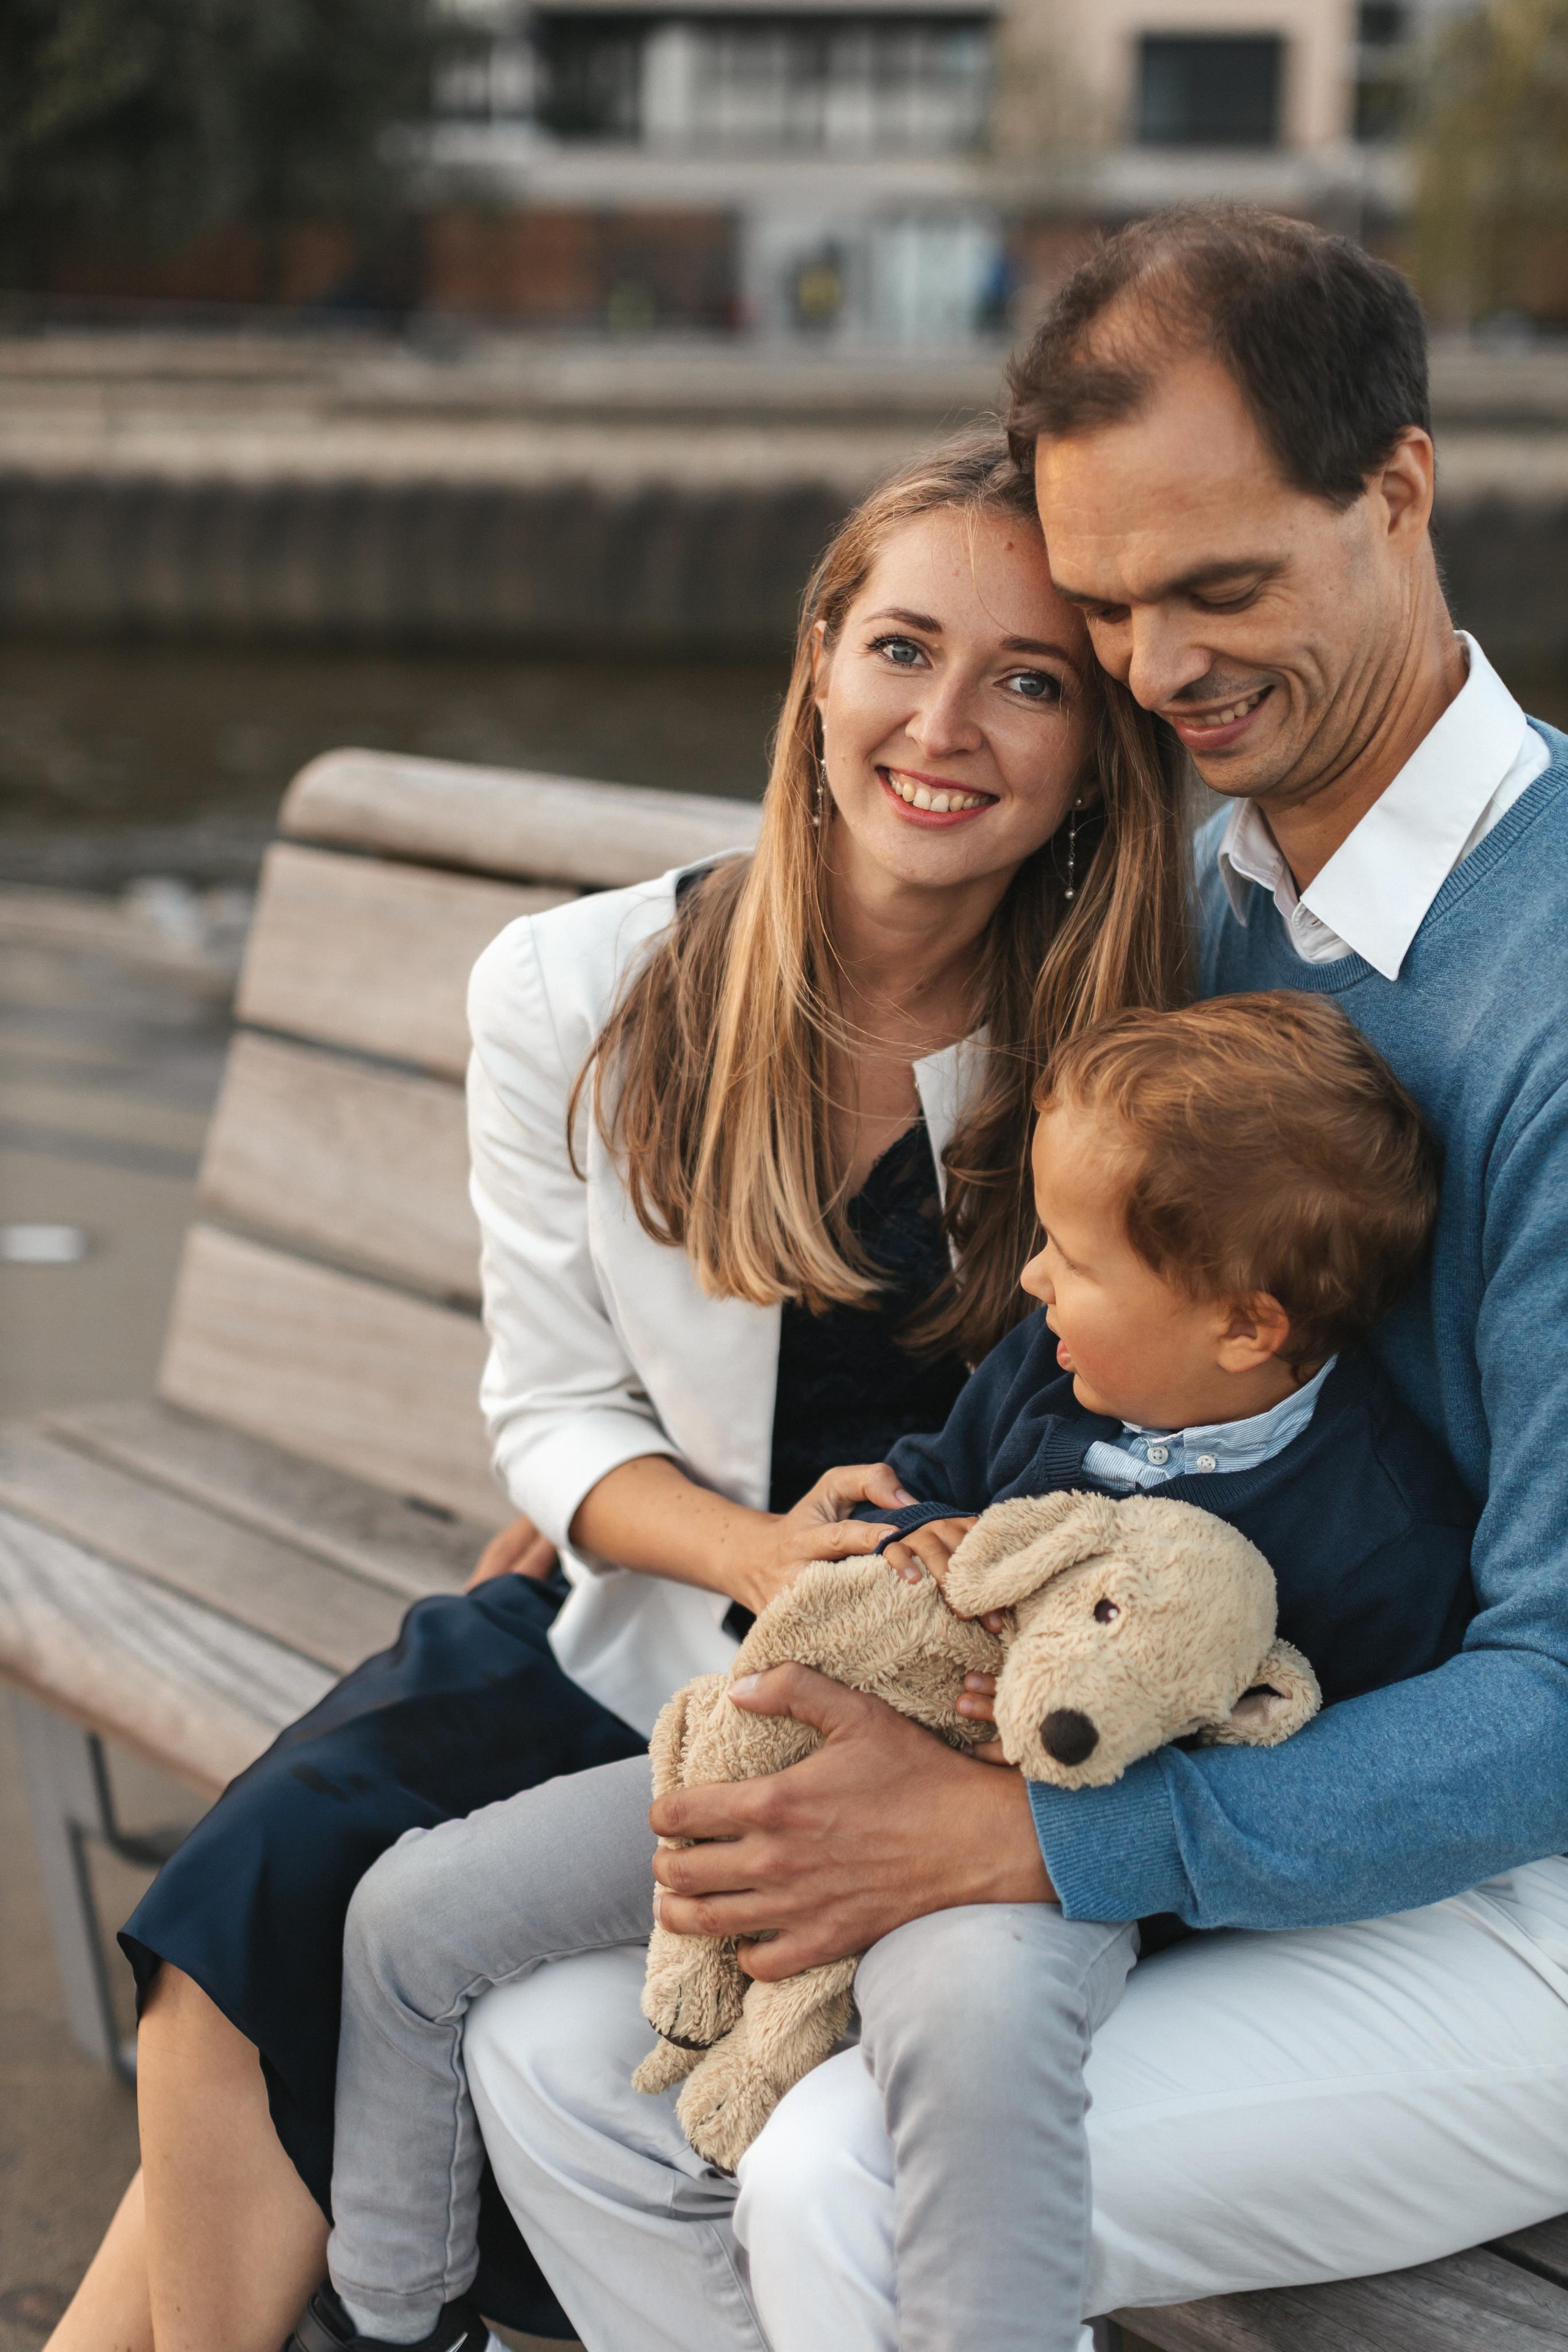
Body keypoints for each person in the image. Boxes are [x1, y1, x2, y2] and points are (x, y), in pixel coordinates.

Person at [459, 207, 1568, 2352]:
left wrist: (1026, 1844)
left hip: (1514, 1885)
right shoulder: (1210, 899)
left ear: (1402, 491)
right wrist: (639, 1467)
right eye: (1121, 605)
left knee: (837, 2169)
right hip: (1220, 1741)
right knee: (553, 2072)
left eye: (1220, 587)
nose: (1160, 671)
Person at [47, 434, 1191, 2352]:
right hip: (631, 1623)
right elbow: (558, 1415)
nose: (950, 724)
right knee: (232, 1951)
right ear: (820, 659)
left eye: (1030, 680)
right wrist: (729, 1538)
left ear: (1091, 747)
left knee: (396, 1991)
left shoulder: (1116, 1035)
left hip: (896, 1709)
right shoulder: (584, 986)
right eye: (904, 649)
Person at [303, 990, 1475, 2352]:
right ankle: (390, 2314)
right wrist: (912, 1543)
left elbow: (1321, 1791)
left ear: (1241, 1327)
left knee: (965, 2033)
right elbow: (920, 1495)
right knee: (414, 1910)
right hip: (808, 1765)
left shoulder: (1380, 1530)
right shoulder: (1050, 1371)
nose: (1031, 1281)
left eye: (1074, 1260)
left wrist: (1108, 1763)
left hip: (1040, 1879)